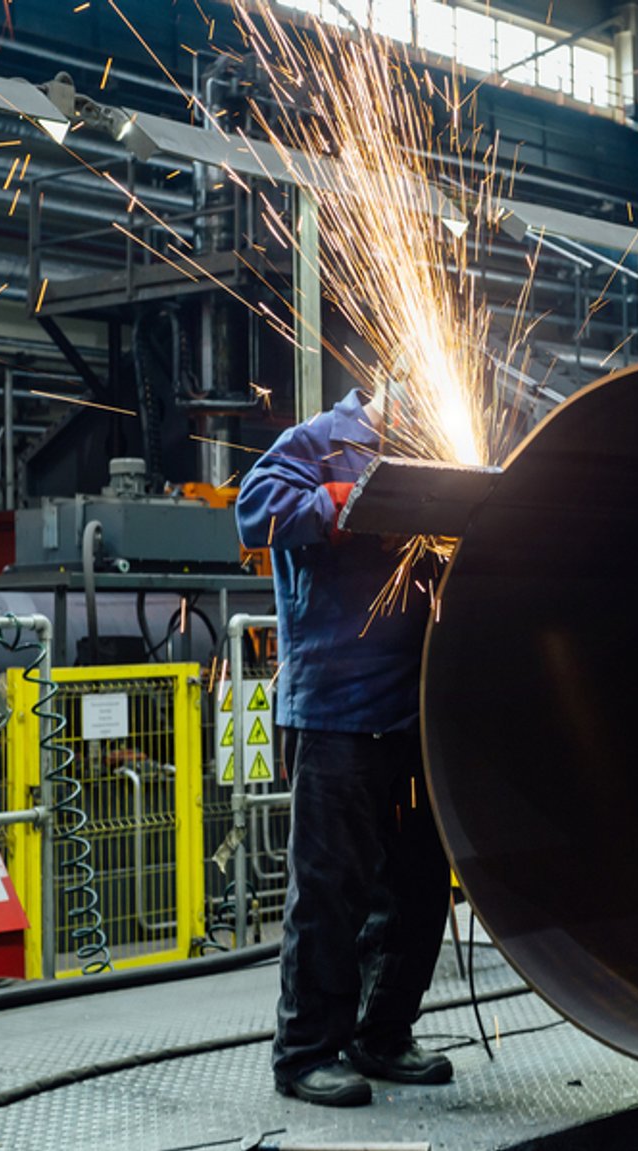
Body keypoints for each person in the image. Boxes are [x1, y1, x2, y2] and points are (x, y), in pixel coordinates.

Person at [235, 382, 454, 1108]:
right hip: (334, 715)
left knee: (420, 885)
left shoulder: (433, 449)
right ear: (393, 385)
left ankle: (382, 1032)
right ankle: (305, 1053)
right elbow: (254, 510)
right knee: (331, 893)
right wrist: (339, 504)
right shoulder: (318, 440)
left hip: (412, 716)